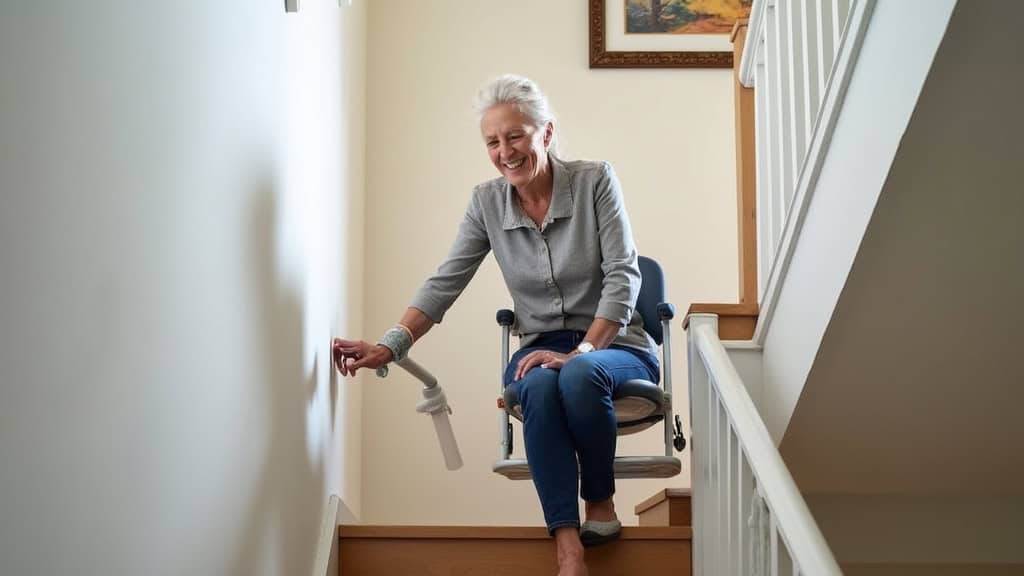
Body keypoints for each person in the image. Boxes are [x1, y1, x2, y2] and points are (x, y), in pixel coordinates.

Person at [332, 74, 658, 576]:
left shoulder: (595, 180)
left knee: (574, 373)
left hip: (615, 344)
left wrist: (583, 351)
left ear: (545, 134)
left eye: (516, 136)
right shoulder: (487, 203)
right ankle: (568, 547)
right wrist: (390, 345)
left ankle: (600, 502)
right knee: (539, 384)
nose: (505, 151)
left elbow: (624, 274)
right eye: (493, 141)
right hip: (540, 346)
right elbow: (447, 280)